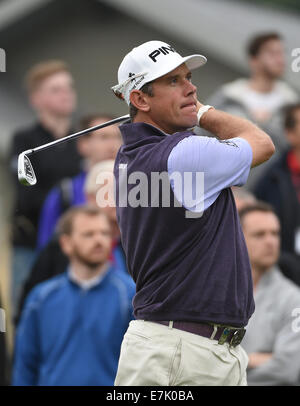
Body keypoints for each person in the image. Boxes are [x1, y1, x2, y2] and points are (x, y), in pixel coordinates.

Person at [110, 39, 275, 386]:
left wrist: (181, 106)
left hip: (182, 349)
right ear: (140, 99)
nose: (191, 87)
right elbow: (262, 143)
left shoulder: (129, 158)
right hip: (183, 353)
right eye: (174, 81)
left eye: (187, 78)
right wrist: (201, 111)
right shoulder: (183, 154)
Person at [12, 205, 135, 386]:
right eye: (88, 234)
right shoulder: (41, 299)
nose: (99, 240)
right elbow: (24, 367)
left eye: (104, 233)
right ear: (66, 243)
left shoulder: (130, 296)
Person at [9, 60, 81, 317]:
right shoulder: (24, 141)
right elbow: (26, 192)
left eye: (68, 87)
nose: (66, 94)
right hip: (32, 246)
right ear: (36, 99)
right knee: (29, 314)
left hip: (78, 245)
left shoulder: (82, 140)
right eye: (56, 89)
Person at [16, 160, 128, 324]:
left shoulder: (136, 244)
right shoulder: (62, 247)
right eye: (111, 193)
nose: (119, 200)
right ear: (90, 197)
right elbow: (31, 308)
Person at [206, 32, 299, 189]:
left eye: (282, 52)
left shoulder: (292, 103)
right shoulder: (227, 96)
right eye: (272, 53)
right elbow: (201, 137)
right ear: (253, 60)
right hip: (226, 192)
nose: (280, 58)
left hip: (273, 198)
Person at [36, 114, 122, 249]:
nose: (113, 145)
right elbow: (46, 250)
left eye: (118, 137)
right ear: (83, 145)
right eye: (104, 137)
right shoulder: (65, 193)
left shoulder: (137, 188)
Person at [239, 203, 300, 386]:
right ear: (238, 238)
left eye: (275, 233)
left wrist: (234, 364)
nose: (270, 241)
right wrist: (253, 359)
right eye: (259, 234)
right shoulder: (215, 293)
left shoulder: (293, 299)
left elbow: (287, 368)